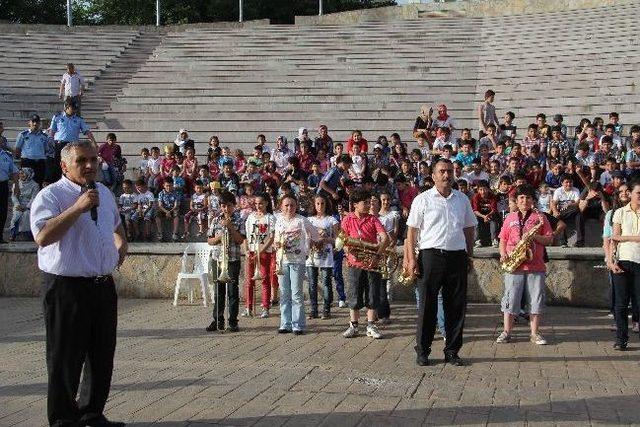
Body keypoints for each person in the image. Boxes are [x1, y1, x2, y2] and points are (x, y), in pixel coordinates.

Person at [29, 140, 127, 427]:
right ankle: (63, 418)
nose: (90, 166)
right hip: (66, 287)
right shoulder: (51, 195)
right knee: (65, 356)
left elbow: (115, 225)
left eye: (94, 160)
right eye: (82, 160)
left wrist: (122, 243)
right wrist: (77, 208)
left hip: (102, 285)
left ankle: (92, 412)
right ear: (64, 165)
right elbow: (43, 237)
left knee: (101, 354)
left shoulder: (105, 193)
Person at [404, 158, 477, 366]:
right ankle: (423, 350)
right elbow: (412, 231)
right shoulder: (422, 199)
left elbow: (469, 228)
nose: (446, 175)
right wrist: (411, 259)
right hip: (430, 256)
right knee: (427, 305)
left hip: (456, 256)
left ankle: (452, 350)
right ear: (434, 175)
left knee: (456, 305)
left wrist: (469, 255)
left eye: (450, 171)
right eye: (442, 171)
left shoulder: (462, 199)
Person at [496, 184, 554, 345]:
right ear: (517, 200)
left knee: (535, 300)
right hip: (514, 264)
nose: (524, 200)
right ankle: (506, 332)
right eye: (521, 197)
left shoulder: (541, 217)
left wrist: (534, 237)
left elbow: (549, 239)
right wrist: (503, 253)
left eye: (528, 197)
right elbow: (503, 239)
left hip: (535, 265)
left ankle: (534, 334)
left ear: (533, 200)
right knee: (510, 299)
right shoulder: (510, 217)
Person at [341, 188, 390, 340]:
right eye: (365, 202)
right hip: (354, 264)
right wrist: (348, 250)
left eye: (370, 202)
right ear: (355, 204)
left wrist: (377, 255)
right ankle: (354, 325)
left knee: (372, 295)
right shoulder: (347, 219)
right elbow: (343, 239)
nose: (369, 205)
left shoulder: (373, 219)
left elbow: (385, 237)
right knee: (353, 295)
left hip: (372, 263)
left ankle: (370, 325)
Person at [274, 195, 319, 334]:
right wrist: (277, 244)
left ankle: (298, 324)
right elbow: (276, 239)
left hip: (297, 261)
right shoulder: (279, 221)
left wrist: (308, 245)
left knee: (297, 294)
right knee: (284, 294)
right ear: (281, 207)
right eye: (286, 205)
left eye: (292, 205)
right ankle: (285, 323)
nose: (289, 208)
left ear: (296, 206)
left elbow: (315, 235)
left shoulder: (302, 220)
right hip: (282, 261)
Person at [206, 190, 245, 333]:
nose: (225, 209)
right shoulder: (215, 220)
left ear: (234, 206)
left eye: (228, 205)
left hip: (233, 259)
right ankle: (218, 320)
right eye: (223, 206)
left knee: (233, 292)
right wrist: (218, 238)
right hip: (218, 259)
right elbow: (209, 240)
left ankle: (233, 321)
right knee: (218, 291)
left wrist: (230, 227)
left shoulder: (239, 220)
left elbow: (240, 240)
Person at [609, 180, 640, 350]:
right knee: (620, 303)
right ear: (631, 194)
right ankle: (621, 339)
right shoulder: (620, 212)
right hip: (622, 260)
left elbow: (620, 236)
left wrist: (625, 237)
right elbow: (614, 238)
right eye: (638, 193)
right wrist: (612, 260)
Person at [306, 194, 340, 319]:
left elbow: (337, 240)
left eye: (322, 203)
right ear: (314, 205)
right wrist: (312, 241)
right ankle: (314, 309)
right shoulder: (309, 220)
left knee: (326, 282)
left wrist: (325, 238)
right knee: (312, 283)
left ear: (326, 204)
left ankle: (326, 309)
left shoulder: (332, 220)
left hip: (326, 254)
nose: (320, 206)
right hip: (312, 255)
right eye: (318, 203)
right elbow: (306, 238)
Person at [243, 194, 276, 318]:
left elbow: (272, 237)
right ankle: (248, 307)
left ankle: (265, 307)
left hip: (264, 252)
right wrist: (246, 250)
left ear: (267, 203)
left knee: (264, 279)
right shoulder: (250, 217)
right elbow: (246, 236)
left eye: (260, 203)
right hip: (251, 252)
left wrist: (261, 250)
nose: (258, 206)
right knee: (249, 280)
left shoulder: (270, 218)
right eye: (256, 204)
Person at [49, 100, 95, 182]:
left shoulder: (79, 119)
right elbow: (52, 132)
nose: (74, 110)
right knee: (57, 165)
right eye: (72, 108)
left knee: (72, 164)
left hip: (72, 146)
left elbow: (87, 131)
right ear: (67, 107)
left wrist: (94, 142)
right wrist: (50, 143)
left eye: (75, 108)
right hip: (59, 145)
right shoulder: (57, 117)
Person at [15, 114, 49, 185]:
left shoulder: (44, 136)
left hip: (40, 163)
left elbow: (46, 149)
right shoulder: (23, 135)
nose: (35, 124)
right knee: (26, 184)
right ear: (29, 122)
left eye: (37, 122)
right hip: (27, 162)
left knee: (39, 183)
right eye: (33, 121)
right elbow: (17, 148)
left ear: (39, 123)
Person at [9, 167, 38, 241]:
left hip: (29, 205)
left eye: (23, 173)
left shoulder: (35, 185)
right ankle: (13, 234)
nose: (21, 175)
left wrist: (26, 207)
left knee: (26, 215)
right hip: (18, 204)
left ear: (29, 174)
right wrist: (18, 205)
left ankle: (28, 235)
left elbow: (34, 198)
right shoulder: (17, 184)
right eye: (20, 174)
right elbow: (14, 196)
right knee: (16, 215)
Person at [0, 144, 19, 243]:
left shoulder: (6, 155)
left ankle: (0, 236)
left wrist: (16, 185)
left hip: (3, 185)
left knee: (2, 211)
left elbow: (15, 171)